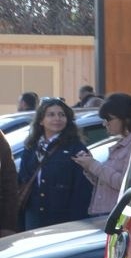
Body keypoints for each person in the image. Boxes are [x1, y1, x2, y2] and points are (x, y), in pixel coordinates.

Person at [16, 99, 96, 230]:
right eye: (51, 114)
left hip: (62, 217)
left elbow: (82, 188)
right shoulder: (32, 147)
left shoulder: (75, 147)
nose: (57, 118)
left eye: (61, 115)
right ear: (41, 121)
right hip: (33, 214)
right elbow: (23, 179)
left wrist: (77, 221)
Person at [74, 91, 131, 216]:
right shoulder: (121, 143)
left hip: (118, 215)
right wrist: (88, 167)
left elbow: (124, 184)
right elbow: (106, 182)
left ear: (125, 118)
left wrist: (94, 165)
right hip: (107, 212)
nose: (105, 124)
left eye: (108, 119)